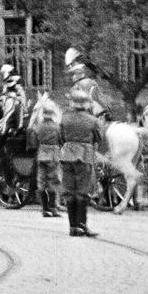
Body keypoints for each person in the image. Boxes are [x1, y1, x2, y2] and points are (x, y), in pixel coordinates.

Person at [57, 81, 107, 238]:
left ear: (72, 103)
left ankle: (72, 227)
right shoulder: (92, 120)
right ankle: (83, 225)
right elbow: (99, 137)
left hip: (67, 156)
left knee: (70, 192)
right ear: (86, 104)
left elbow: (60, 138)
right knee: (82, 191)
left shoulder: (64, 118)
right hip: (84, 156)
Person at [30, 94, 60, 217]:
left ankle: (44, 209)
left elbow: (34, 141)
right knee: (53, 182)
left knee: (41, 182)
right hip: (53, 155)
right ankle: (53, 208)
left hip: (42, 155)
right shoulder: (57, 127)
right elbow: (62, 140)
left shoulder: (39, 126)